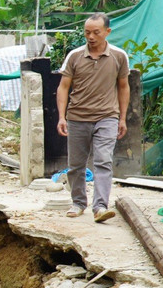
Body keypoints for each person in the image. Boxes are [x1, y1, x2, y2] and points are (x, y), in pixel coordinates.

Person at [56, 13, 130, 222]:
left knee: (103, 161)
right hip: (77, 117)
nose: (91, 37)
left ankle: (100, 207)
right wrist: (62, 117)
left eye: (96, 32)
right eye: (87, 32)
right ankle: (78, 202)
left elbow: (124, 87)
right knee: (76, 165)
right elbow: (63, 87)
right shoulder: (74, 56)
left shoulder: (118, 56)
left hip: (107, 117)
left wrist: (122, 118)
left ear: (107, 32)